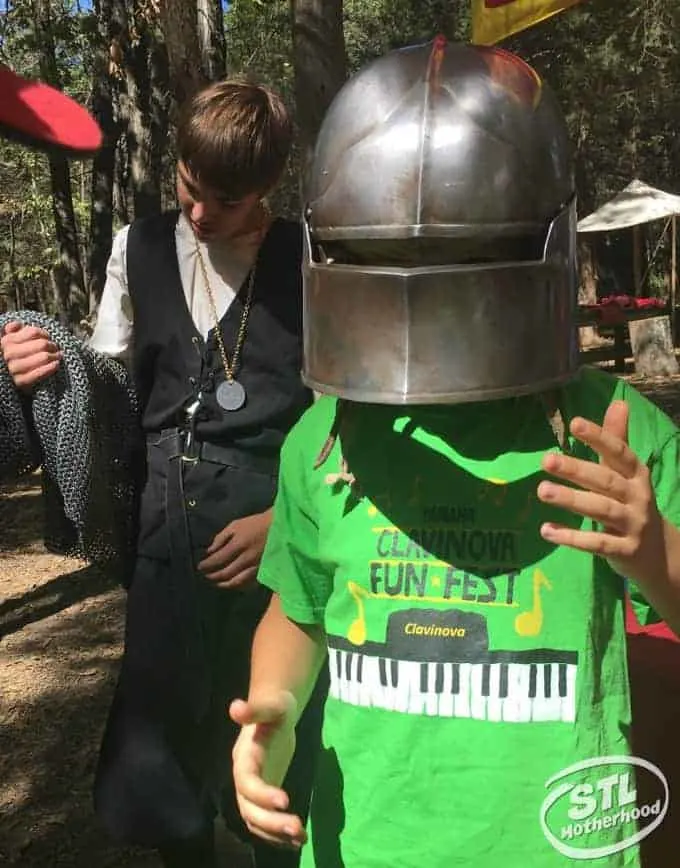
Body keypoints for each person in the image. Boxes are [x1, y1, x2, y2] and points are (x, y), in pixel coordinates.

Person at [229, 40, 680, 868]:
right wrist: (274, 710)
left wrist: (654, 554)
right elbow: (297, 612)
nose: (423, 292)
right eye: (383, 260)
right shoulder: (324, 440)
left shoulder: (617, 432)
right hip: (368, 844)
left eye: (464, 256)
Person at [1, 80, 321, 868]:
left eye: (227, 198)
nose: (202, 213)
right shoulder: (135, 247)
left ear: (268, 185)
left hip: (272, 536)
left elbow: (347, 414)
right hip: (163, 530)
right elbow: (108, 386)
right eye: (188, 186)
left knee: (280, 757)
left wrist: (289, 520)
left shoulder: (310, 256)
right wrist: (45, 364)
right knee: (171, 763)